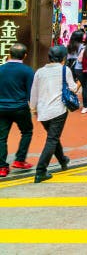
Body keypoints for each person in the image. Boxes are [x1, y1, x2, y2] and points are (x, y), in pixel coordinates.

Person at [29, 46, 76, 183]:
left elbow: (34, 92)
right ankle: (41, 171)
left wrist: (33, 109)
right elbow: (72, 88)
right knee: (52, 139)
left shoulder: (40, 72)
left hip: (43, 112)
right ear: (63, 58)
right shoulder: (64, 70)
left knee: (53, 136)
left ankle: (62, 160)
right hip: (58, 110)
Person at [0, 43, 35, 177]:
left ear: (9, 54)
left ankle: (2, 167)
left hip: (1, 108)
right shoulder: (27, 71)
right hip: (20, 108)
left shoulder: (1, 69)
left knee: (1, 138)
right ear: (25, 56)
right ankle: (20, 160)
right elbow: (31, 92)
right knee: (27, 131)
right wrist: (33, 107)